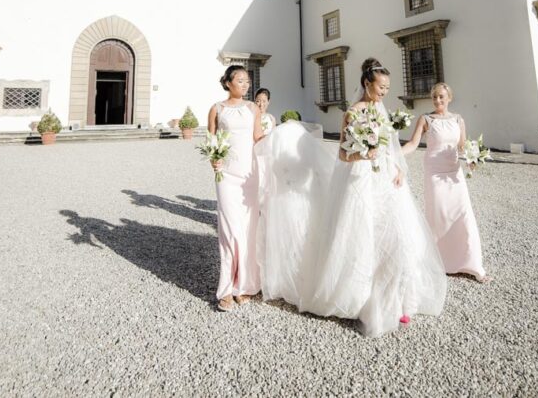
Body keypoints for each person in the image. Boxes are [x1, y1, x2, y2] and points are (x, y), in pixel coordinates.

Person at [256, 57, 447, 337]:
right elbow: (344, 155)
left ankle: (397, 298)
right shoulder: (352, 113)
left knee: (397, 237)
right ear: (367, 84)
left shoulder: (380, 111)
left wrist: (398, 169)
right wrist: (363, 154)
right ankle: (359, 299)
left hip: (386, 180)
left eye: (387, 88)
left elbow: (391, 148)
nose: (384, 92)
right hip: (359, 180)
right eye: (380, 87)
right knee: (360, 237)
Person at [402, 83, 491, 283]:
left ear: (449, 98)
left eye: (441, 97)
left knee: (463, 215)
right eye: (434, 97)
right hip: (434, 173)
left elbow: (462, 146)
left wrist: (472, 159)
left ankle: (472, 265)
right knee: (439, 216)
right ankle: (439, 263)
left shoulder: (458, 120)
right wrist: (395, 154)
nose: (437, 100)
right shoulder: (426, 119)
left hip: (454, 174)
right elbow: (413, 144)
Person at [207, 65, 264, 312]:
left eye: (247, 81)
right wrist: (213, 159)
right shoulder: (216, 109)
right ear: (228, 82)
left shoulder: (253, 108)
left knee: (249, 230)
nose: (245, 84)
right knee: (230, 231)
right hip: (226, 176)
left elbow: (258, 137)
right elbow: (211, 140)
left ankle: (245, 285)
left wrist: (279, 141)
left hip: (249, 176)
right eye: (240, 80)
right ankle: (226, 289)